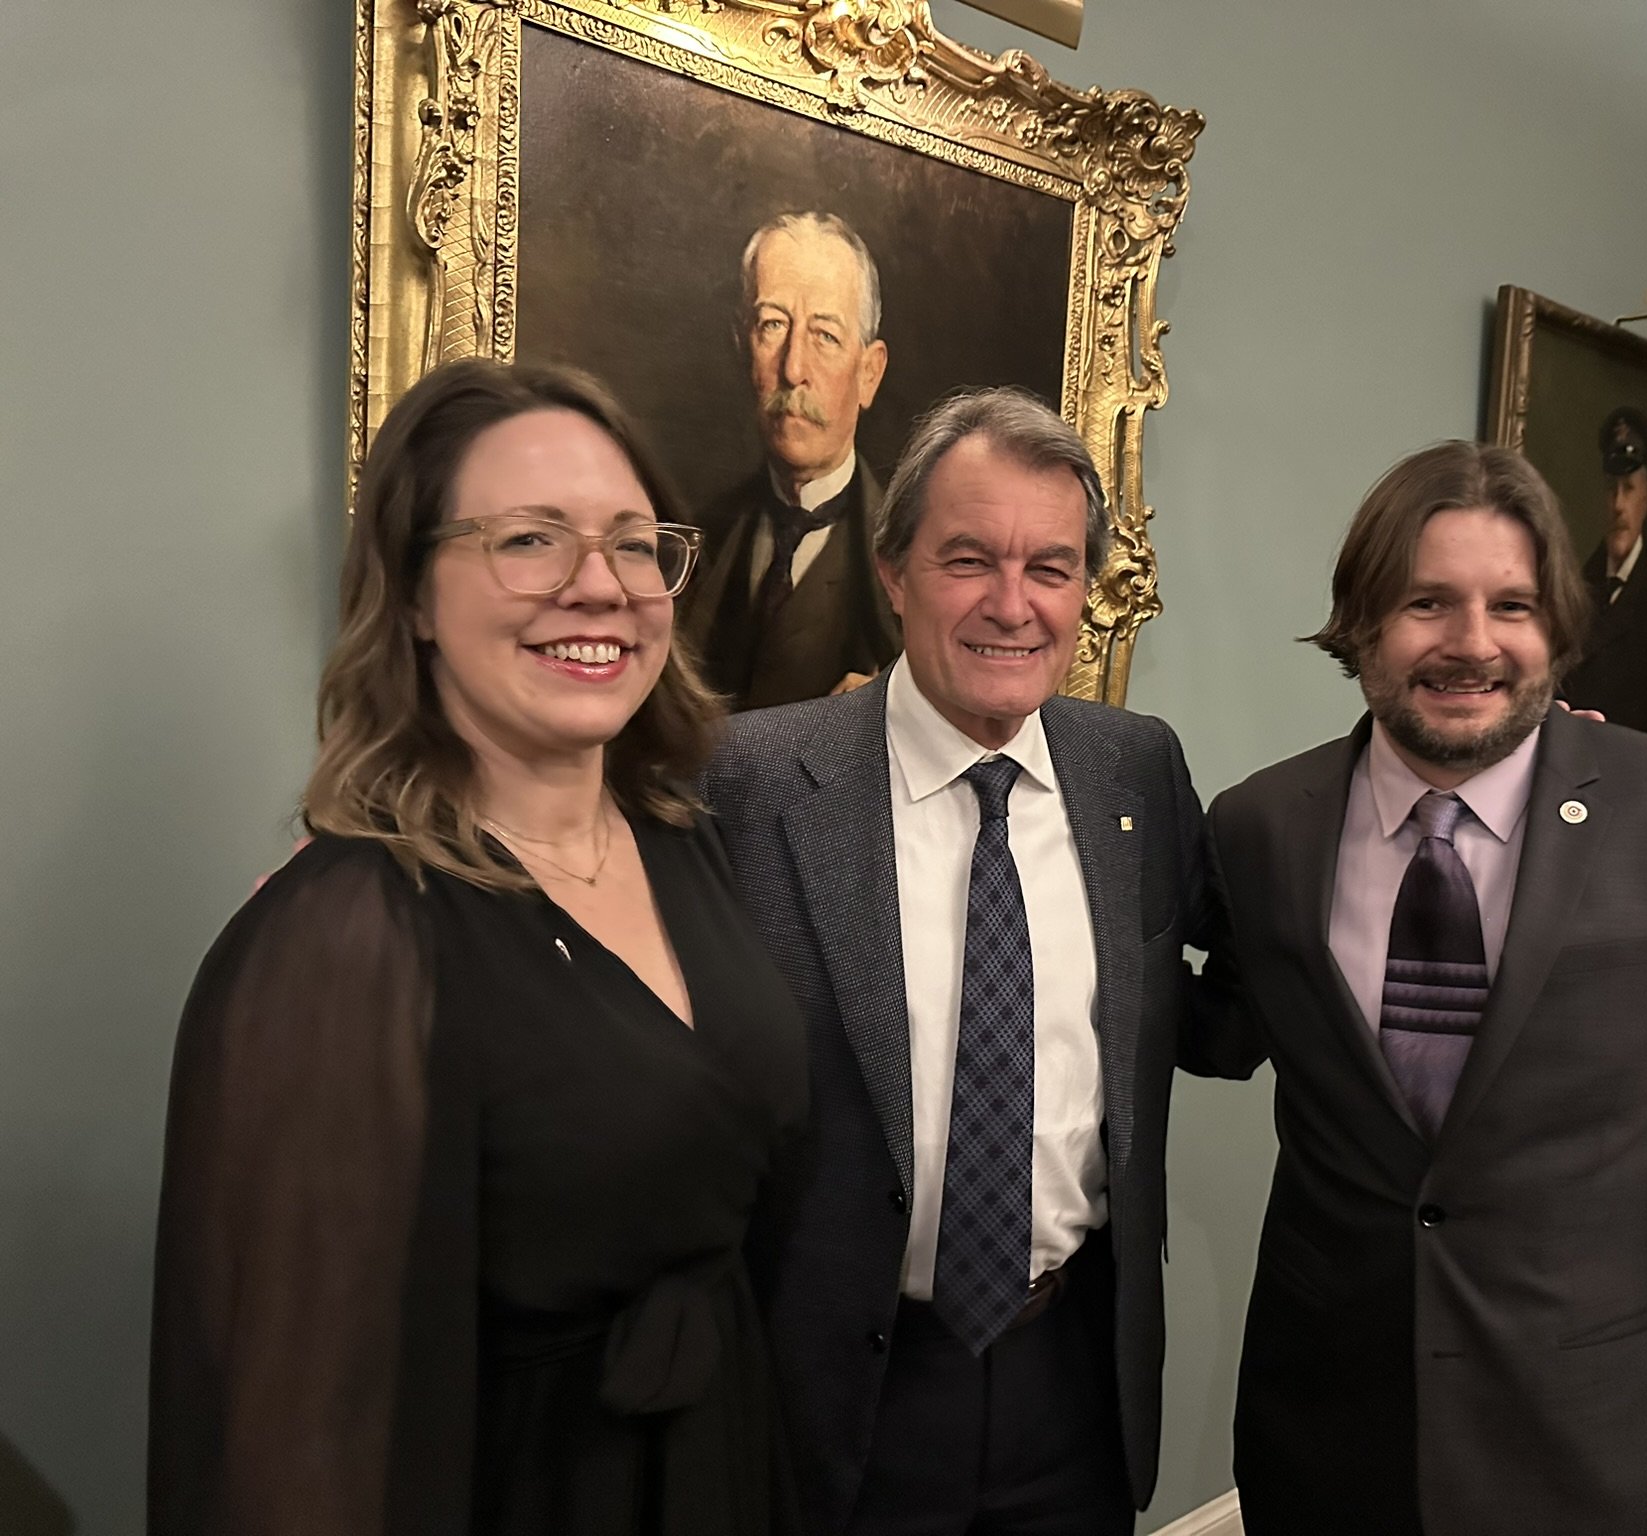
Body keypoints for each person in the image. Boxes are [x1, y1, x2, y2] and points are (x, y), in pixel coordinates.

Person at [149, 359, 808, 1536]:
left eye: (631, 542)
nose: (598, 587)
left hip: (716, 1463)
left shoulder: (676, 842)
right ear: (410, 594)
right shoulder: (340, 943)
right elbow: (295, 1436)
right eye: (528, 542)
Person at [1198, 440, 1647, 1535]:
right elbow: (1216, 1023)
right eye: (1425, 603)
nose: (1471, 644)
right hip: (1320, 1443)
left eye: (1510, 605)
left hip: (1583, 1454)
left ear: (1554, 626)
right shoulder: (1259, 826)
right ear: (1359, 622)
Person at [704, 387, 1224, 1536]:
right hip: (837, 1385)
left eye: (1050, 566)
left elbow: (1229, 990)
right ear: (892, 574)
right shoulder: (746, 782)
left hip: (1073, 1373)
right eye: (967, 560)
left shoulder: (1133, 770)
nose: (1012, 604)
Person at [682, 211, 902, 711]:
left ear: (869, 373)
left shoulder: (913, 563)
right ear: (744, 347)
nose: (793, 368)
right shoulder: (696, 538)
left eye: (825, 335)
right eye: (773, 326)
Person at [1559, 405, 1647, 736]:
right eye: (1611, 489)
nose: (1618, 505)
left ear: (1645, 499)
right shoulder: (1575, 590)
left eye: (1629, 490)